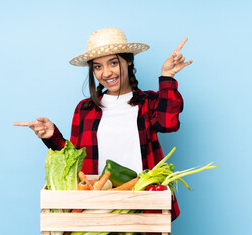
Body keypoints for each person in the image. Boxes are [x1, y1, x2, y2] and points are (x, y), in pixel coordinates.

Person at [14, 28, 192, 221]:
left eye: (113, 63)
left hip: (142, 202)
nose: (106, 73)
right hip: (97, 205)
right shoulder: (84, 109)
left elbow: (168, 124)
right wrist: (52, 137)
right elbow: (76, 160)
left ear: (129, 60)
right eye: (98, 67)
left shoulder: (148, 102)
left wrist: (167, 77)